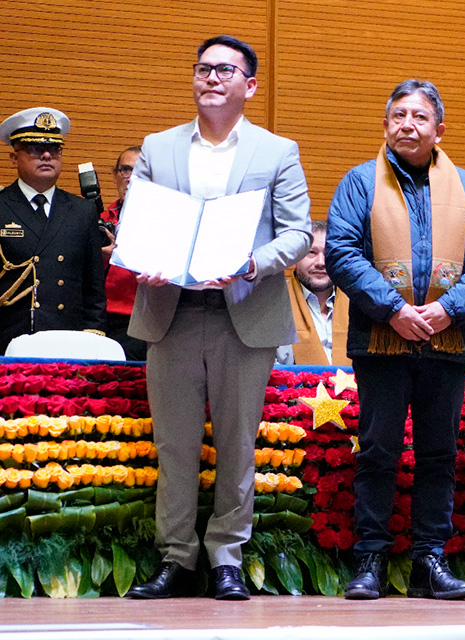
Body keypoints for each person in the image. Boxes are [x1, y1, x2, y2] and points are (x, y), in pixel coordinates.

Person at [124, 35, 312, 600]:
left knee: (236, 444)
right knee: (175, 445)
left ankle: (226, 557)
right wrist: (145, 260)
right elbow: (140, 219)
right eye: (202, 68)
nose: (210, 78)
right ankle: (176, 559)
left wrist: (254, 262)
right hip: (171, 311)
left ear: (249, 85)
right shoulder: (158, 147)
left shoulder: (277, 151)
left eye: (225, 70)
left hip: (244, 312)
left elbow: (300, 233)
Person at [326, 79, 465, 600]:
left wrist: (448, 309)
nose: (408, 124)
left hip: (446, 344)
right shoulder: (360, 182)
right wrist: (394, 309)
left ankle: (430, 560)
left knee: (438, 456)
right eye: (399, 115)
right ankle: (370, 561)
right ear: (385, 125)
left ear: (439, 130)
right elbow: (341, 252)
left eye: (420, 117)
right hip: (381, 342)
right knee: (378, 451)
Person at [0, 107, 106, 354]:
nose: (47, 155)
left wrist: (93, 335)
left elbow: (94, 288)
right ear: (14, 158)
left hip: (66, 338)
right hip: (8, 337)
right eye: (35, 149)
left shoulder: (82, 211)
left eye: (55, 149)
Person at [277, 219, 350, 366]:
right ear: (295, 258)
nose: (321, 262)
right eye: (311, 252)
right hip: (292, 388)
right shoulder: (273, 302)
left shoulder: (358, 302)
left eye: (329, 253)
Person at [99, 146, 146, 360]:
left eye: (139, 172)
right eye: (125, 171)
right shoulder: (97, 218)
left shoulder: (168, 222)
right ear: (116, 176)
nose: (130, 178)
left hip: (148, 318)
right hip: (106, 318)